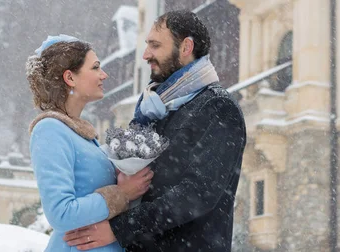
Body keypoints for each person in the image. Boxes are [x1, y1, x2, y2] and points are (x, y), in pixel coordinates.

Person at [63, 10, 247, 251]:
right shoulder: (152, 108)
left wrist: (120, 228)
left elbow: (198, 193)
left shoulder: (218, 107)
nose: (146, 54)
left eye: (155, 45)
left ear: (186, 47)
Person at [27, 35, 154, 252]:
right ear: (70, 77)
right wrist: (121, 194)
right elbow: (61, 213)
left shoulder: (83, 136)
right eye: (95, 67)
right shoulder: (49, 129)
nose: (104, 74)